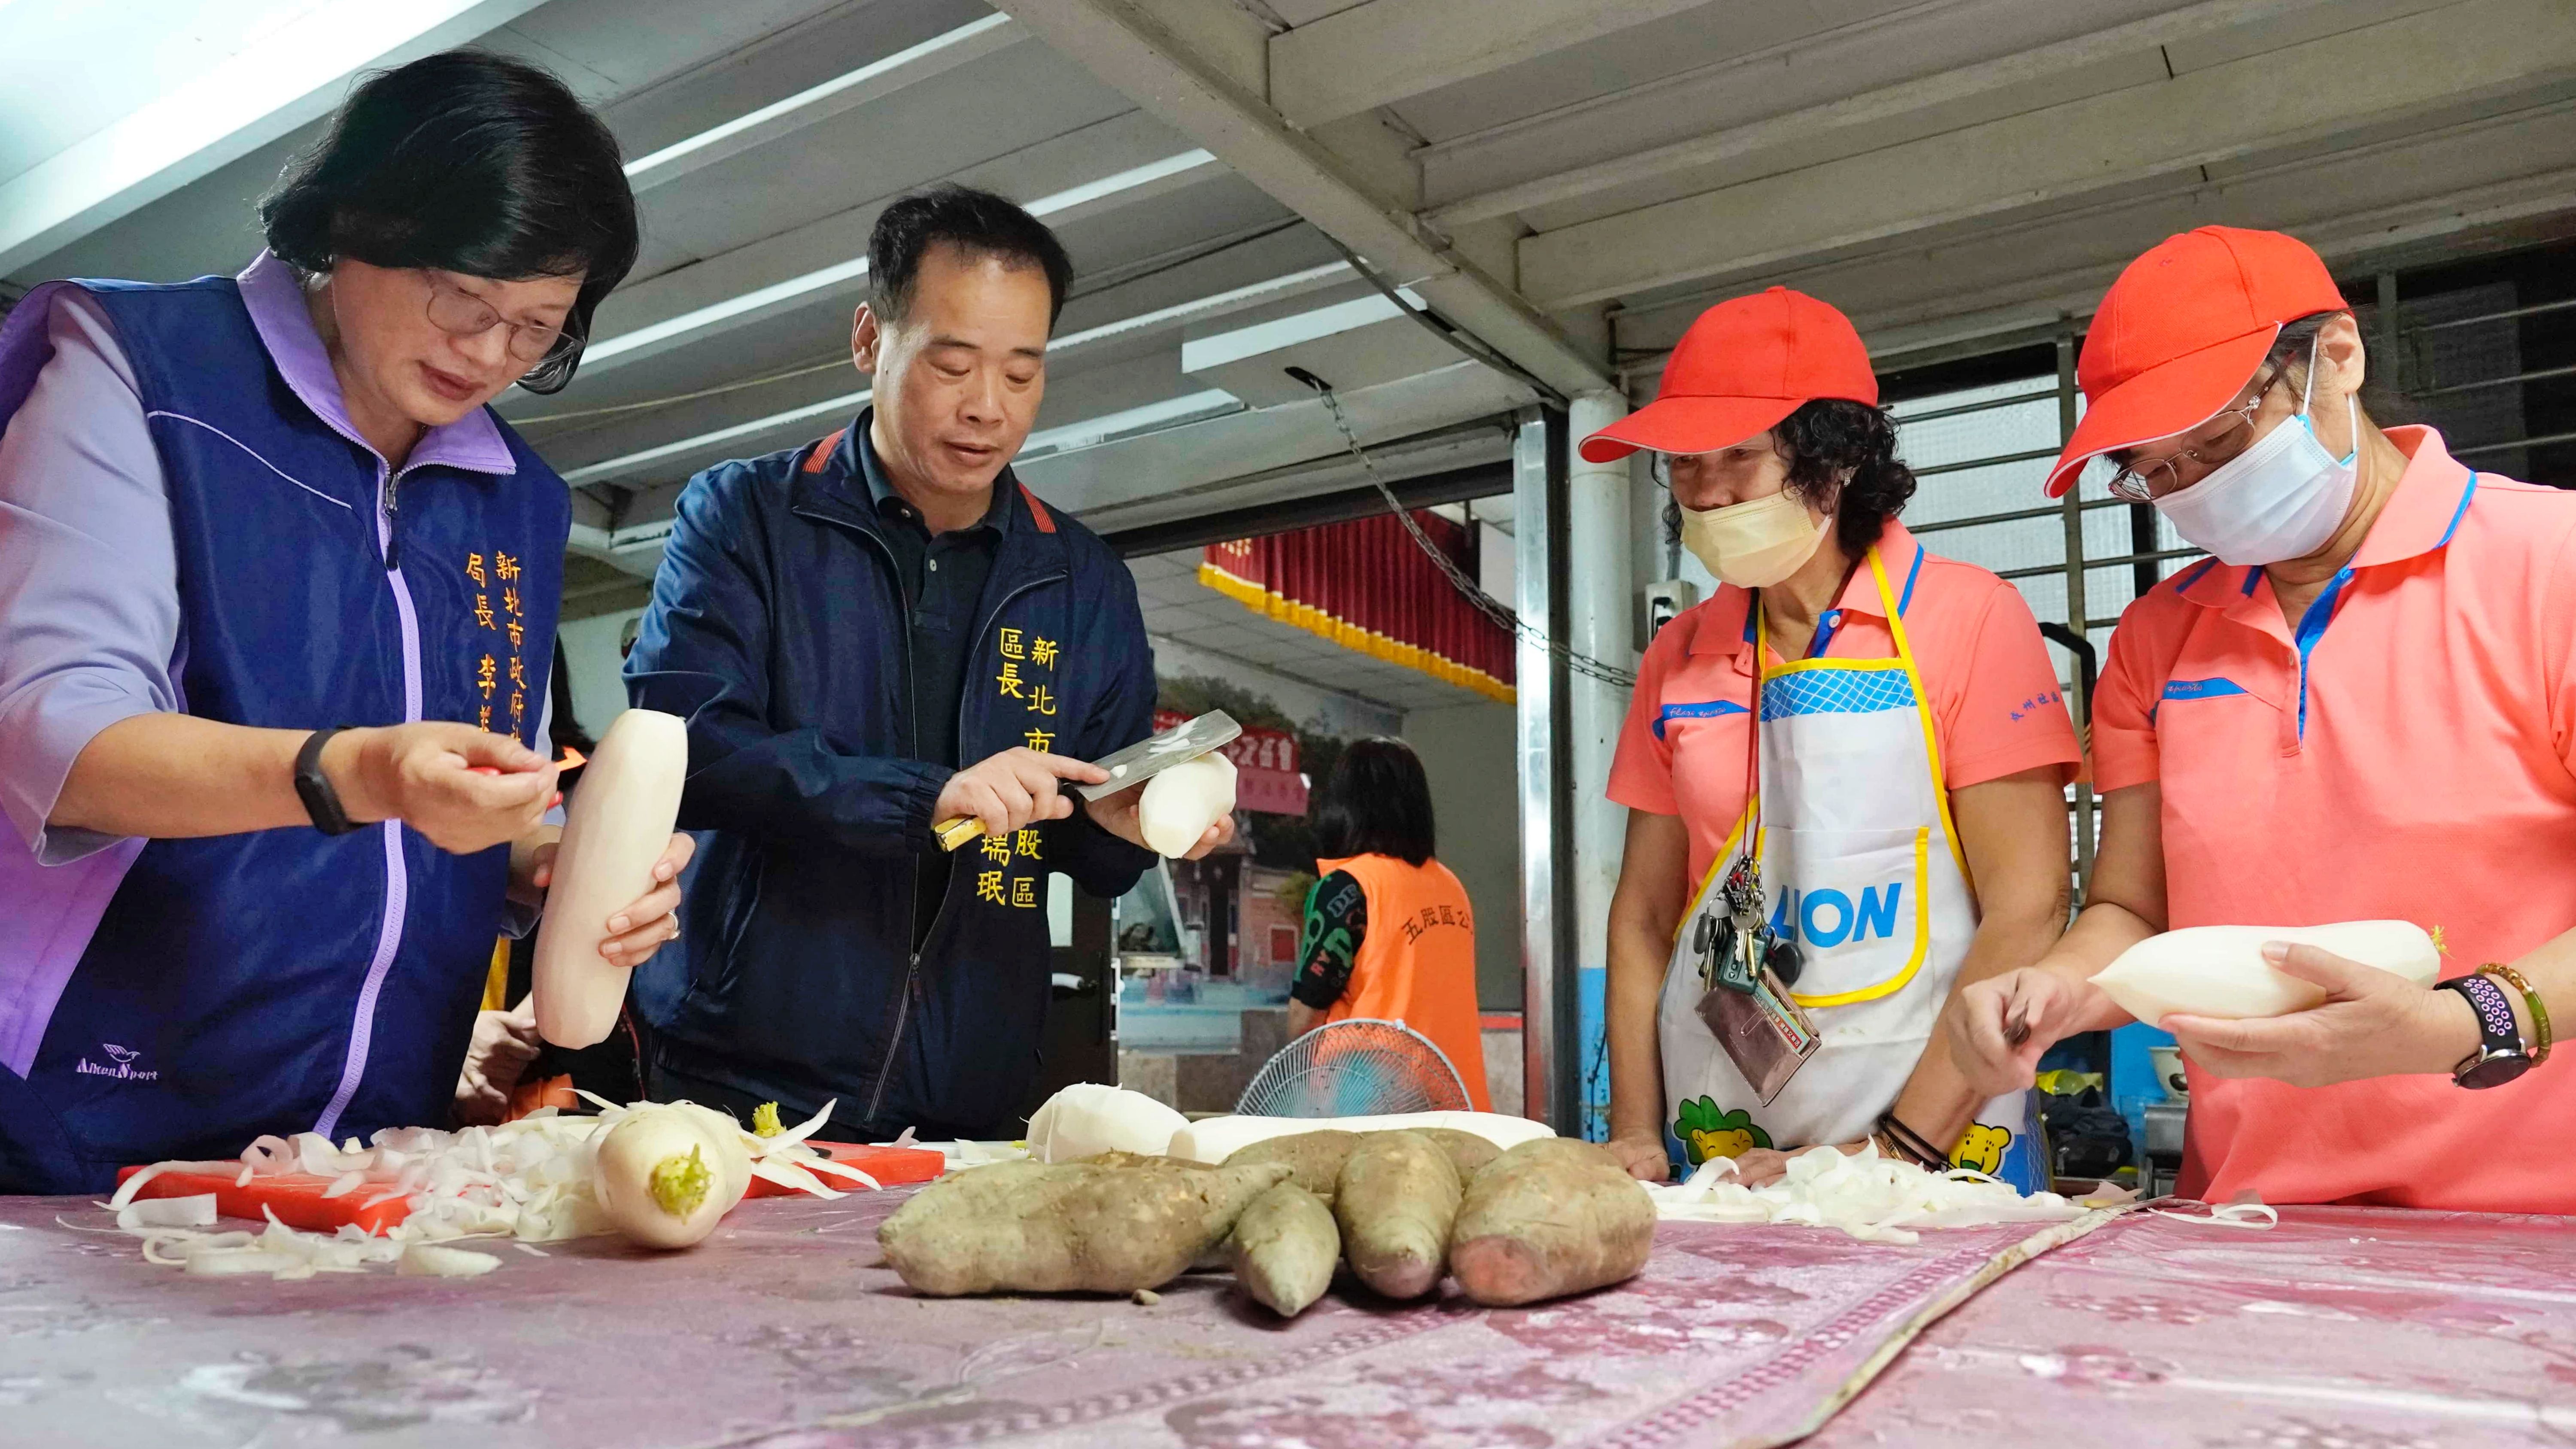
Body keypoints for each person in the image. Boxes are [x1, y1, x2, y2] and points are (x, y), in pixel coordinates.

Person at [0, 52, 685, 1194]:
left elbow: (464, 785)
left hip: (369, 1145)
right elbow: (51, 736)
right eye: (465, 300)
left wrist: (549, 860)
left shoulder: (511, 493)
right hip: (92, 1116)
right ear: (358, 222)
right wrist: (359, 769)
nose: (486, 354)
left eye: (534, 330)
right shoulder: (143, 367)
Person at [1947, 226, 2576, 1213]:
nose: (2194, 487)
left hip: (2533, 1228)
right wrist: (2062, 990)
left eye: (2220, 443)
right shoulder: (2159, 639)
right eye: (2157, 473)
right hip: (2249, 1214)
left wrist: (2461, 1018)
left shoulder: (2550, 565)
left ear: (2337, 356)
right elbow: (2132, 909)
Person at [627, 186, 1230, 1142]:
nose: (987, 408)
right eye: (953, 364)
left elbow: (1083, 841)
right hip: (740, 1070)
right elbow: (687, 752)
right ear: (871, 338)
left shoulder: (1080, 580)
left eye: (1023, 374)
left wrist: (1129, 823)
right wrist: (929, 799)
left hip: (971, 1079)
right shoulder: (745, 518)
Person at [1593, 288, 2082, 1188]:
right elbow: (1644, 918)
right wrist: (1632, 1131)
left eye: (1739, 454)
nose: (1706, 490)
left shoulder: (1969, 619)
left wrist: (1893, 1154)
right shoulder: (1679, 654)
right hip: (1725, 1157)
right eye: (1684, 463)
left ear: (1842, 456)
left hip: (1931, 1157)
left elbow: (2030, 905)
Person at [1287, 737, 1491, 1109]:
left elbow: (1306, 1013)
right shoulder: (1451, 886)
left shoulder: (1347, 887)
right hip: (1456, 1104)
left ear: (1344, 803)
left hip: (1369, 1104)